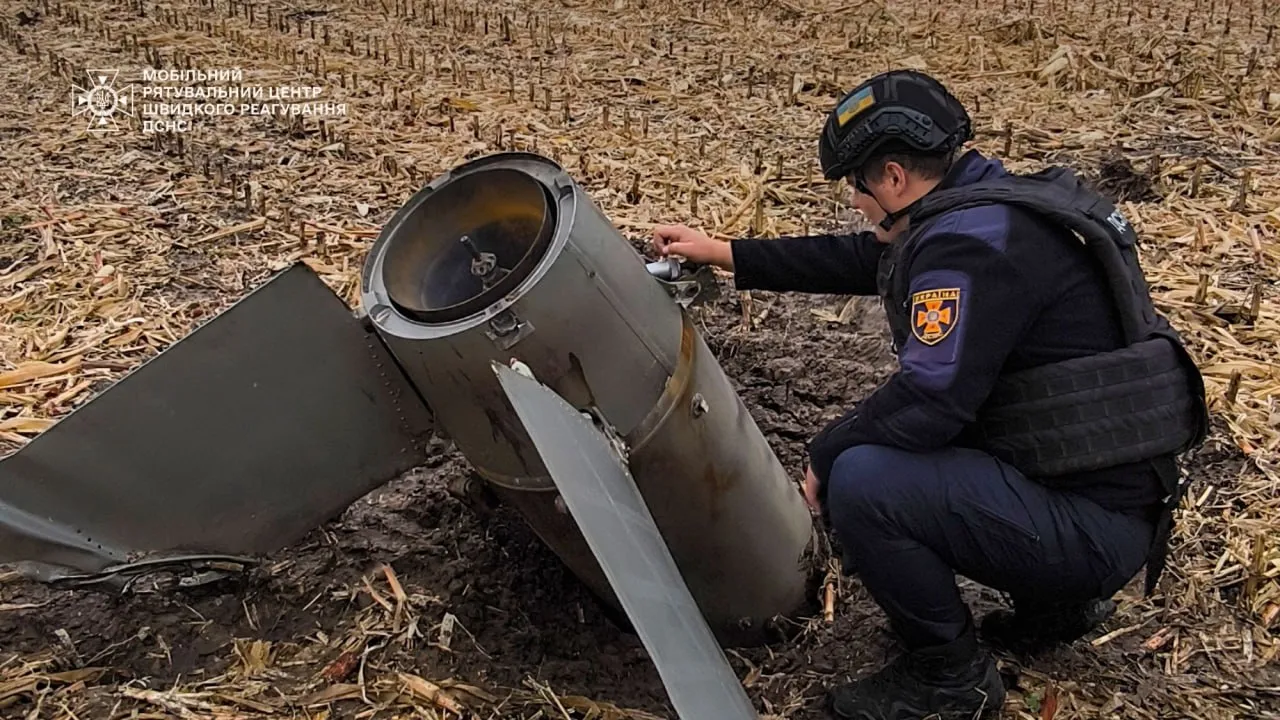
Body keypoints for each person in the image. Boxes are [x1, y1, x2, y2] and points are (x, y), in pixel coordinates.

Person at [651, 69, 1207, 720]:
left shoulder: (967, 246)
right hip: (1110, 500)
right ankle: (1054, 602)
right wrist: (725, 252)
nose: (855, 202)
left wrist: (825, 456)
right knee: (904, 450)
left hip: (1092, 533)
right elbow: (868, 260)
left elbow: (930, 402)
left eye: (856, 185)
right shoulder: (989, 208)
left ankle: (951, 677)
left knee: (865, 480)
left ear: (892, 177)